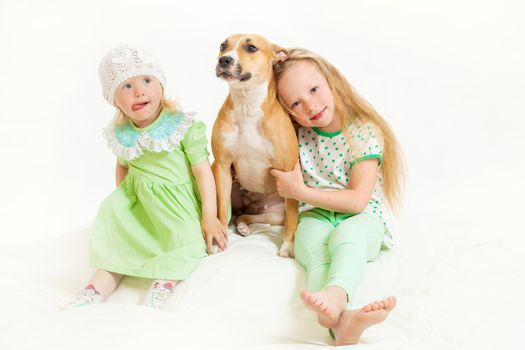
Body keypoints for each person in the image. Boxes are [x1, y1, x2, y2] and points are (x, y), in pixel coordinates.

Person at [67, 44, 227, 309]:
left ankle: (165, 279)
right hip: (142, 203)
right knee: (117, 240)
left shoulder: (181, 126)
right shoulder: (123, 133)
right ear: (114, 100)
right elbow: (123, 166)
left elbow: (202, 171)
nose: (139, 90)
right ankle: (94, 290)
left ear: (161, 85)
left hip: (177, 205)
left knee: (184, 237)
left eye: (146, 80)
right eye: (126, 87)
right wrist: (126, 207)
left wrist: (209, 215)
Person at [271, 48, 404, 345]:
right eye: (296, 102)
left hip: (363, 217)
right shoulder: (297, 137)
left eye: (314, 89)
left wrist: (300, 192)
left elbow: (357, 200)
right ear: (288, 111)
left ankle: (337, 293)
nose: (310, 105)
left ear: (332, 82)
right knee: (315, 249)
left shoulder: (364, 131)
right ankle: (341, 324)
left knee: (347, 236)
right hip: (315, 216)